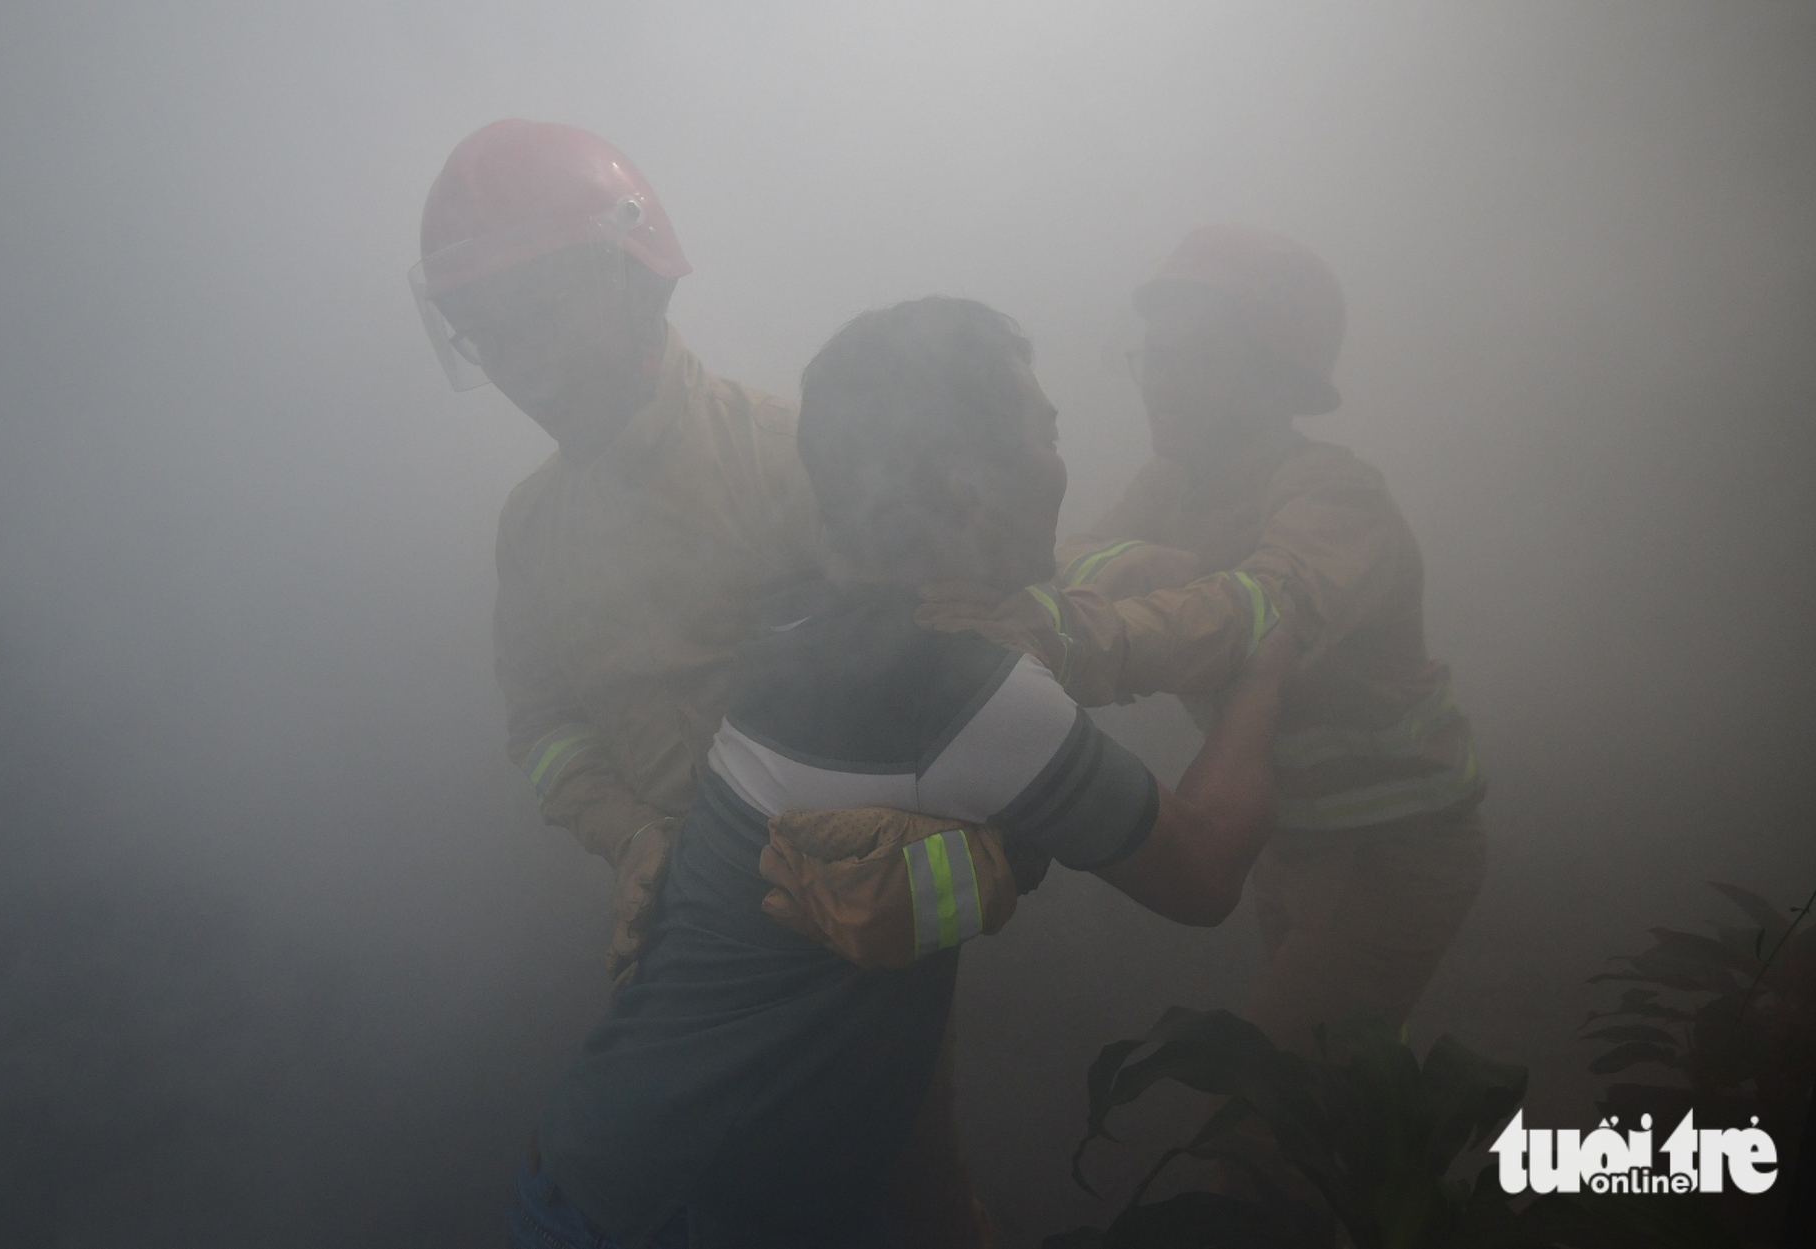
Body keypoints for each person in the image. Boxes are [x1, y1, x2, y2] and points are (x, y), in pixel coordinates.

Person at [512, 297, 1300, 1249]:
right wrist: (1266, 653)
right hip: (683, 1214)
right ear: (969, 489)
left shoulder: (798, 622)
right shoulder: (960, 694)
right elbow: (1206, 870)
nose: (1061, 458)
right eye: (1045, 433)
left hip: (608, 1176)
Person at [411, 123, 984, 1247]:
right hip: (677, 944)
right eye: (486, 335)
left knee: (910, 1202)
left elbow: (952, 685)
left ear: (632, 285)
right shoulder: (532, 530)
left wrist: (903, 873)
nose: (516, 368)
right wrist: (632, 837)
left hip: (848, 943)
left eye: (532, 318)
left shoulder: (787, 460)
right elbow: (542, 725)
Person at [921, 226, 1486, 1057]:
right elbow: (1073, 564)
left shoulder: (1338, 499)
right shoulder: (1173, 485)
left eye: (1196, 356)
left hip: (1393, 854)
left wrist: (1062, 634)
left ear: (1272, 379)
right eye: (1156, 356)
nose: (1162, 381)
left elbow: (1254, 617)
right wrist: (1072, 585)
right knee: (1346, 1098)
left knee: (1271, 1123)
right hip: (1298, 842)